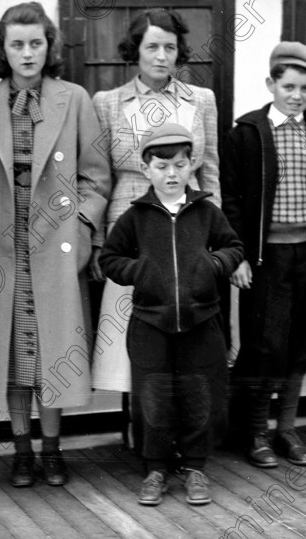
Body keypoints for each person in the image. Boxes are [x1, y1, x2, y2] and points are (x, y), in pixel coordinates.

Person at [0, 2, 110, 488]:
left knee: (53, 347)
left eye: (36, 43)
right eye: (17, 44)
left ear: (49, 46)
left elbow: (96, 178)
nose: (27, 53)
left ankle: (53, 450)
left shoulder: (73, 99)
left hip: (56, 241)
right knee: (14, 352)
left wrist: (84, 229)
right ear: (2, 49)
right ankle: (21, 451)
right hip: (1, 245)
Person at [90, 8, 221, 450]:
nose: (162, 56)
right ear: (135, 51)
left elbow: (211, 172)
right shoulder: (108, 103)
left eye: (170, 47)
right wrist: (97, 241)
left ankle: (183, 442)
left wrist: (215, 235)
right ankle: (140, 436)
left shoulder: (200, 99)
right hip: (131, 228)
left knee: (184, 334)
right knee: (135, 340)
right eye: (152, 47)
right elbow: (97, 175)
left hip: (188, 229)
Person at [221, 41, 306, 469]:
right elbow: (234, 201)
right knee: (265, 344)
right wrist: (237, 255)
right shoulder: (247, 133)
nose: (296, 97)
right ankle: (256, 432)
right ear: (271, 84)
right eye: (289, 86)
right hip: (264, 258)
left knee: (300, 344)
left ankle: (287, 430)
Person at [100, 123, 243, 506]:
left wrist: (213, 264)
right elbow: (110, 259)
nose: (171, 174)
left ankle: (195, 468)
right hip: (150, 324)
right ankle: (156, 470)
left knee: (200, 397)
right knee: (154, 400)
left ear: (191, 167)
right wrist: (140, 271)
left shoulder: (206, 212)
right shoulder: (137, 217)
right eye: (161, 167)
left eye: (180, 165)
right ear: (146, 170)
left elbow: (234, 247)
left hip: (201, 322)